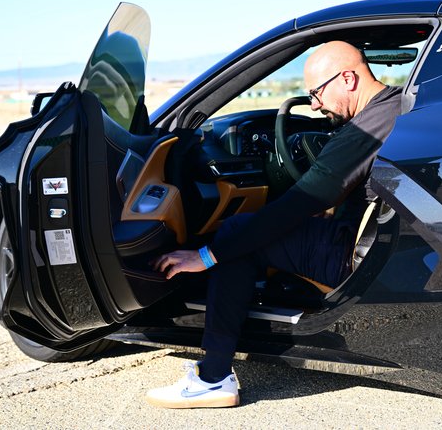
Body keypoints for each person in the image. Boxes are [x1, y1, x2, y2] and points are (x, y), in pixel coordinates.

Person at [145, 40, 403, 408]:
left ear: (347, 78)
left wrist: (206, 255)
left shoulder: (363, 129)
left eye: (317, 92)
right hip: (370, 239)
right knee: (252, 234)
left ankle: (214, 377)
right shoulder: (393, 107)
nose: (314, 105)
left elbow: (299, 203)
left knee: (236, 233)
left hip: (352, 253)